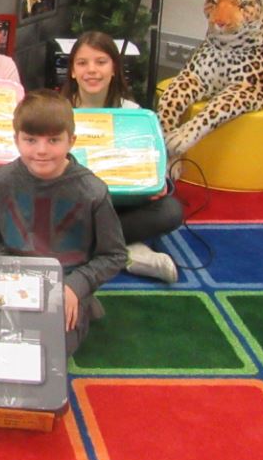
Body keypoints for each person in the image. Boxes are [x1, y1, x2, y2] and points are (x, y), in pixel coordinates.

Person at [0, 90, 126, 355]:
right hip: (13, 278)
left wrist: (76, 286)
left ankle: (84, 308)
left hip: (65, 282)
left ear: (71, 141)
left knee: (46, 350)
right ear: (16, 140)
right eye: (30, 140)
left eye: (53, 140)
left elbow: (114, 255)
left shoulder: (93, 191)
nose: (42, 150)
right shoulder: (1, 182)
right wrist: (9, 273)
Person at [62, 31, 182, 283]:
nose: (91, 70)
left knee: (170, 210)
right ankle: (128, 251)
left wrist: (157, 183)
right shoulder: (58, 110)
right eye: (82, 63)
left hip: (121, 202)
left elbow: (150, 161)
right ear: (72, 71)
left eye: (101, 62)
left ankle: (92, 246)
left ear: (114, 68)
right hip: (73, 203)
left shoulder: (134, 113)